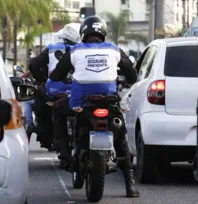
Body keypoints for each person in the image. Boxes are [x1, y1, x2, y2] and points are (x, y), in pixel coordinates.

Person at [50, 16, 139, 198]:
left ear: (84, 33)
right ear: (103, 33)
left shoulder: (75, 50)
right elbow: (132, 74)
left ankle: (65, 155)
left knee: (57, 109)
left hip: (81, 104)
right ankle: (130, 185)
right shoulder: (114, 50)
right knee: (120, 139)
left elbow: (57, 75)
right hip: (109, 102)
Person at [21, 24, 81, 149]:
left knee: (38, 99)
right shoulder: (80, 49)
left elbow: (34, 65)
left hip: (54, 92)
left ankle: (37, 129)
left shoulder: (51, 48)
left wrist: (40, 79)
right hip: (77, 91)